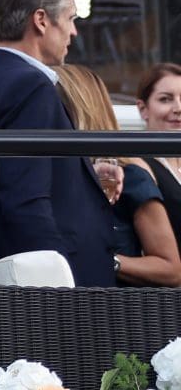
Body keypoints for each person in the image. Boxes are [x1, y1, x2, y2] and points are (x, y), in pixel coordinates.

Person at [0, 0, 118, 286]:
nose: (74, 32)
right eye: (70, 18)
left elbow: (8, 178)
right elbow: (25, 200)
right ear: (41, 20)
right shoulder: (30, 86)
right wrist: (57, 290)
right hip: (37, 291)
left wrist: (79, 175)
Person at [58, 62, 181, 286]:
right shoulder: (138, 166)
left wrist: (108, 261)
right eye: (165, 99)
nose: (178, 108)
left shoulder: (130, 175)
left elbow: (170, 267)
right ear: (142, 108)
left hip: (118, 302)